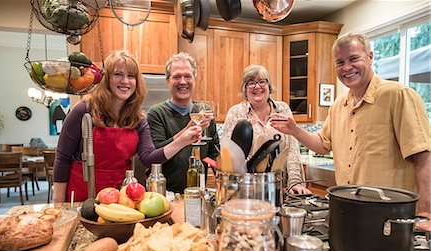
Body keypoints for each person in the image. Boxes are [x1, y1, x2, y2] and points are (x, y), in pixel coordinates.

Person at [271, 33, 431, 230]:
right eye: (340, 62)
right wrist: (294, 130)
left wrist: (425, 213)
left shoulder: (398, 96)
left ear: (370, 57)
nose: (347, 68)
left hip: (392, 218)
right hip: (350, 212)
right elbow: (322, 144)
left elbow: (423, 155)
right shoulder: (339, 105)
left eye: (354, 58)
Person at [52, 50, 202, 202]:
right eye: (118, 74)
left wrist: (182, 141)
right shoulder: (84, 110)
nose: (125, 81)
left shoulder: (137, 118)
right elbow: (62, 158)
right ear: (107, 79)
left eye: (131, 76)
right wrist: (58, 203)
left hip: (119, 197)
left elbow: (148, 158)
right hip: (83, 194)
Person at [222, 64, 310, 195]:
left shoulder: (283, 110)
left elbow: (291, 150)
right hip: (247, 190)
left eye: (262, 81)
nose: (257, 86)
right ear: (245, 89)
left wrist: (295, 183)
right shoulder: (236, 113)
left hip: (281, 189)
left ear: (269, 86)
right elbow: (230, 158)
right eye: (251, 83)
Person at [147, 52, 220, 193]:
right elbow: (155, 156)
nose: (182, 81)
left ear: (195, 79)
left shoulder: (204, 112)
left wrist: (224, 179)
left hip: (198, 191)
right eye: (176, 76)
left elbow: (213, 153)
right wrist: (186, 132)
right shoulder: (156, 113)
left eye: (187, 76)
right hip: (165, 193)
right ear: (167, 81)